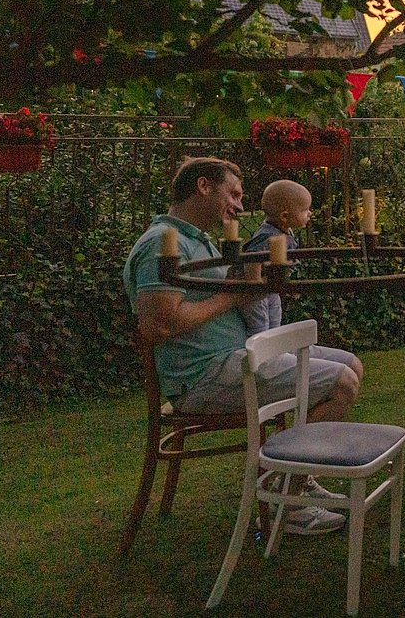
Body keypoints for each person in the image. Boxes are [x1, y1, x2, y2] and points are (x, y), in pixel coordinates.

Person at [123, 157, 363, 536]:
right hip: (204, 375)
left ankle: (294, 474)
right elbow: (158, 325)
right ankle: (284, 501)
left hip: (240, 357)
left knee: (351, 364)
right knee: (341, 384)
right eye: (232, 194)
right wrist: (238, 295)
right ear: (203, 186)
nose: (238, 206)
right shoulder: (161, 245)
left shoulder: (195, 240)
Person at [237, 179, 312, 336]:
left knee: (275, 321)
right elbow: (252, 257)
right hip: (256, 294)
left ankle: (274, 353)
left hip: (270, 288)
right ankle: (259, 356)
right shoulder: (268, 234)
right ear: (285, 216)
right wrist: (255, 286)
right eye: (305, 210)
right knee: (260, 325)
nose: (309, 213)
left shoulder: (285, 230)